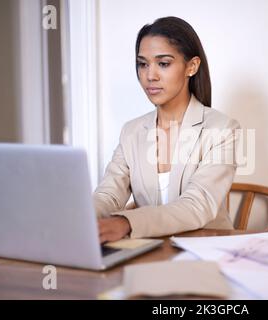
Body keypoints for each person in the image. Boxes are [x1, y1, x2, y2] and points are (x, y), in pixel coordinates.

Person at [94, 16, 240, 242]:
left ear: (191, 66)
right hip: (147, 254)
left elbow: (196, 205)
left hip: (205, 253)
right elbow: (109, 195)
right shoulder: (131, 132)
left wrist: (126, 223)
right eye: (143, 64)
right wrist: (81, 218)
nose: (150, 76)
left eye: (163, 64)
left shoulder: (222, 129)